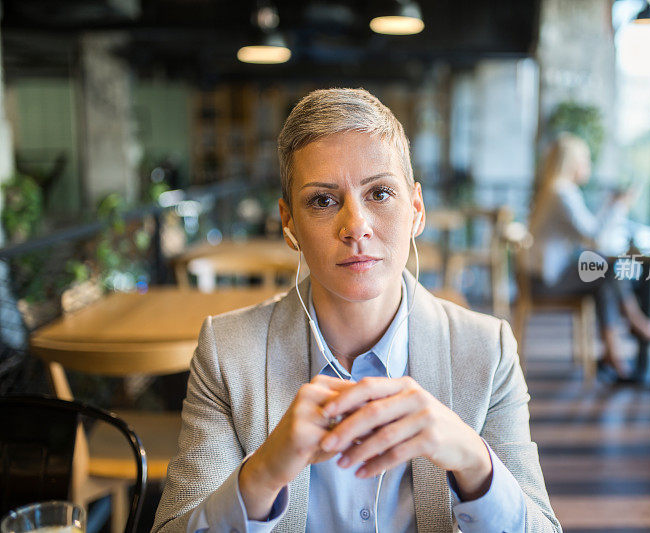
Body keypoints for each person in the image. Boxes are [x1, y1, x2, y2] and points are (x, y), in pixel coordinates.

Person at [152, 88, 561, 532]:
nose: (356, 226)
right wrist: (266, 470)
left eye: (380, 193)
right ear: (289, 224)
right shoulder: (228, 352)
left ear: (417, 210)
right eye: (323, 200)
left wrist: (472, 459)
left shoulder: (487, 349)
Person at [524, 133, 650, 381]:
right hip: (545, 282)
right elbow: (593, 236)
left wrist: (611, 207)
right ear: (572, 162)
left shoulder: (555, 191)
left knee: (602, 279)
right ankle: (634, 321)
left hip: (545, 276)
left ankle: (612, 352)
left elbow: (590, 236)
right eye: (585, 159)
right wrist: (619, 206)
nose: (588, 165)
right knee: (606, 268)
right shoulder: (561, 193)